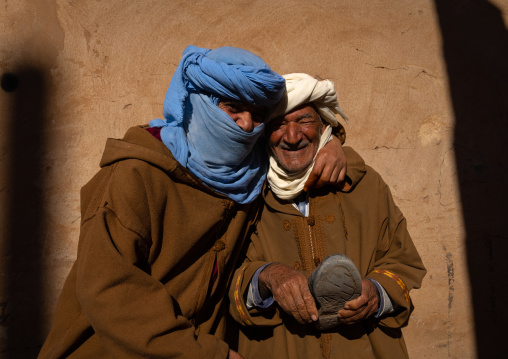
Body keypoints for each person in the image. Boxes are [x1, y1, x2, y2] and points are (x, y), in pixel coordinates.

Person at [38, 48, 346, 359]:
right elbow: (110, 289)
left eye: (257, 115)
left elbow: (300, 152)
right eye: (233, 108)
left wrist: (333, 142)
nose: (244, 125)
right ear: (201, 103)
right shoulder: (134, 176)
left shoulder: (248, 175)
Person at [228, 73, 426, 359]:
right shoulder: (246, 195)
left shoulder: (365, 185)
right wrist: (267, 277)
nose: (292, 136)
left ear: (323, 126)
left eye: (305, 121)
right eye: (278, 124)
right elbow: (222, 277)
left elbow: (403, 262)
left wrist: (375, 293)